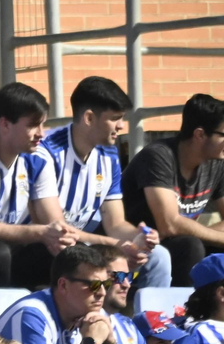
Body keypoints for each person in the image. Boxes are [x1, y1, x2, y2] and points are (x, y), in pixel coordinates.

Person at [44, 76, 170, 288]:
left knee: (157, 257)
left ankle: (147, 319)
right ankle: (100, 312)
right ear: (89, 118)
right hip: (50, 249)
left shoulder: (109, 154)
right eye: (115, 118)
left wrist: (139, 239)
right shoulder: (47, 152)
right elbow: (61, 232)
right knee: (106, 268)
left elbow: (115, 223)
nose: (121, 126)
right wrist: (120, 245)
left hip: (89, 244)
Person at [121, 95, 224, 284]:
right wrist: (214, 236)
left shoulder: (216, 163)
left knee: (198, 244)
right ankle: (184, 312)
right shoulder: (158, 156)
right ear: (200, 134)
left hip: (179, 241)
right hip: (140, 245)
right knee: (191, 245)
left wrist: (207, 235)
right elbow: (169, 224)